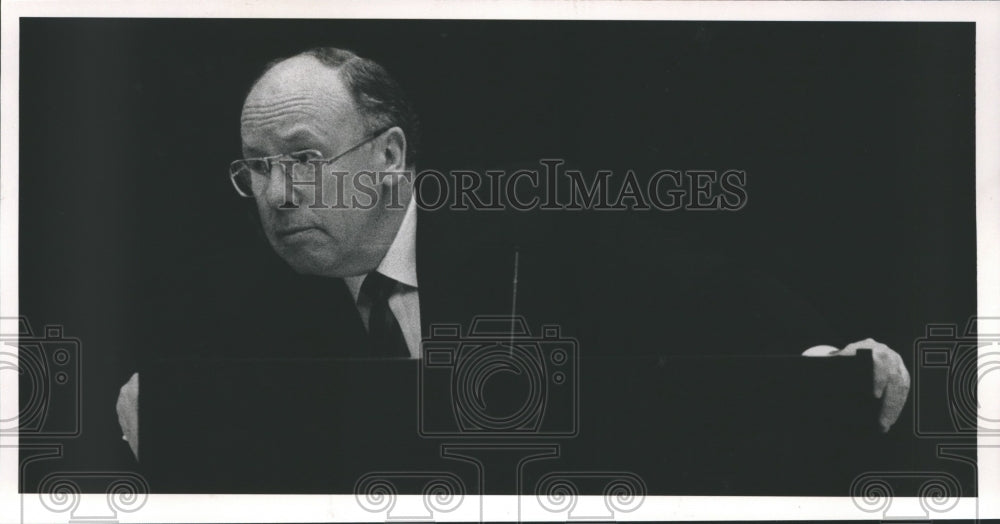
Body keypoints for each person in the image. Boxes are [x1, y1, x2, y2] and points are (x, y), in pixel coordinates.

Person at [116, 46, 910, 460]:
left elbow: (711, 293)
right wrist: (161, 404)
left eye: (303, 157)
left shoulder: (537, 235)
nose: (277, 193)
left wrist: (822, 361)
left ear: (390, 157)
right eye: (256, 167)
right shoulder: (243, 289)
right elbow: (186, 389)